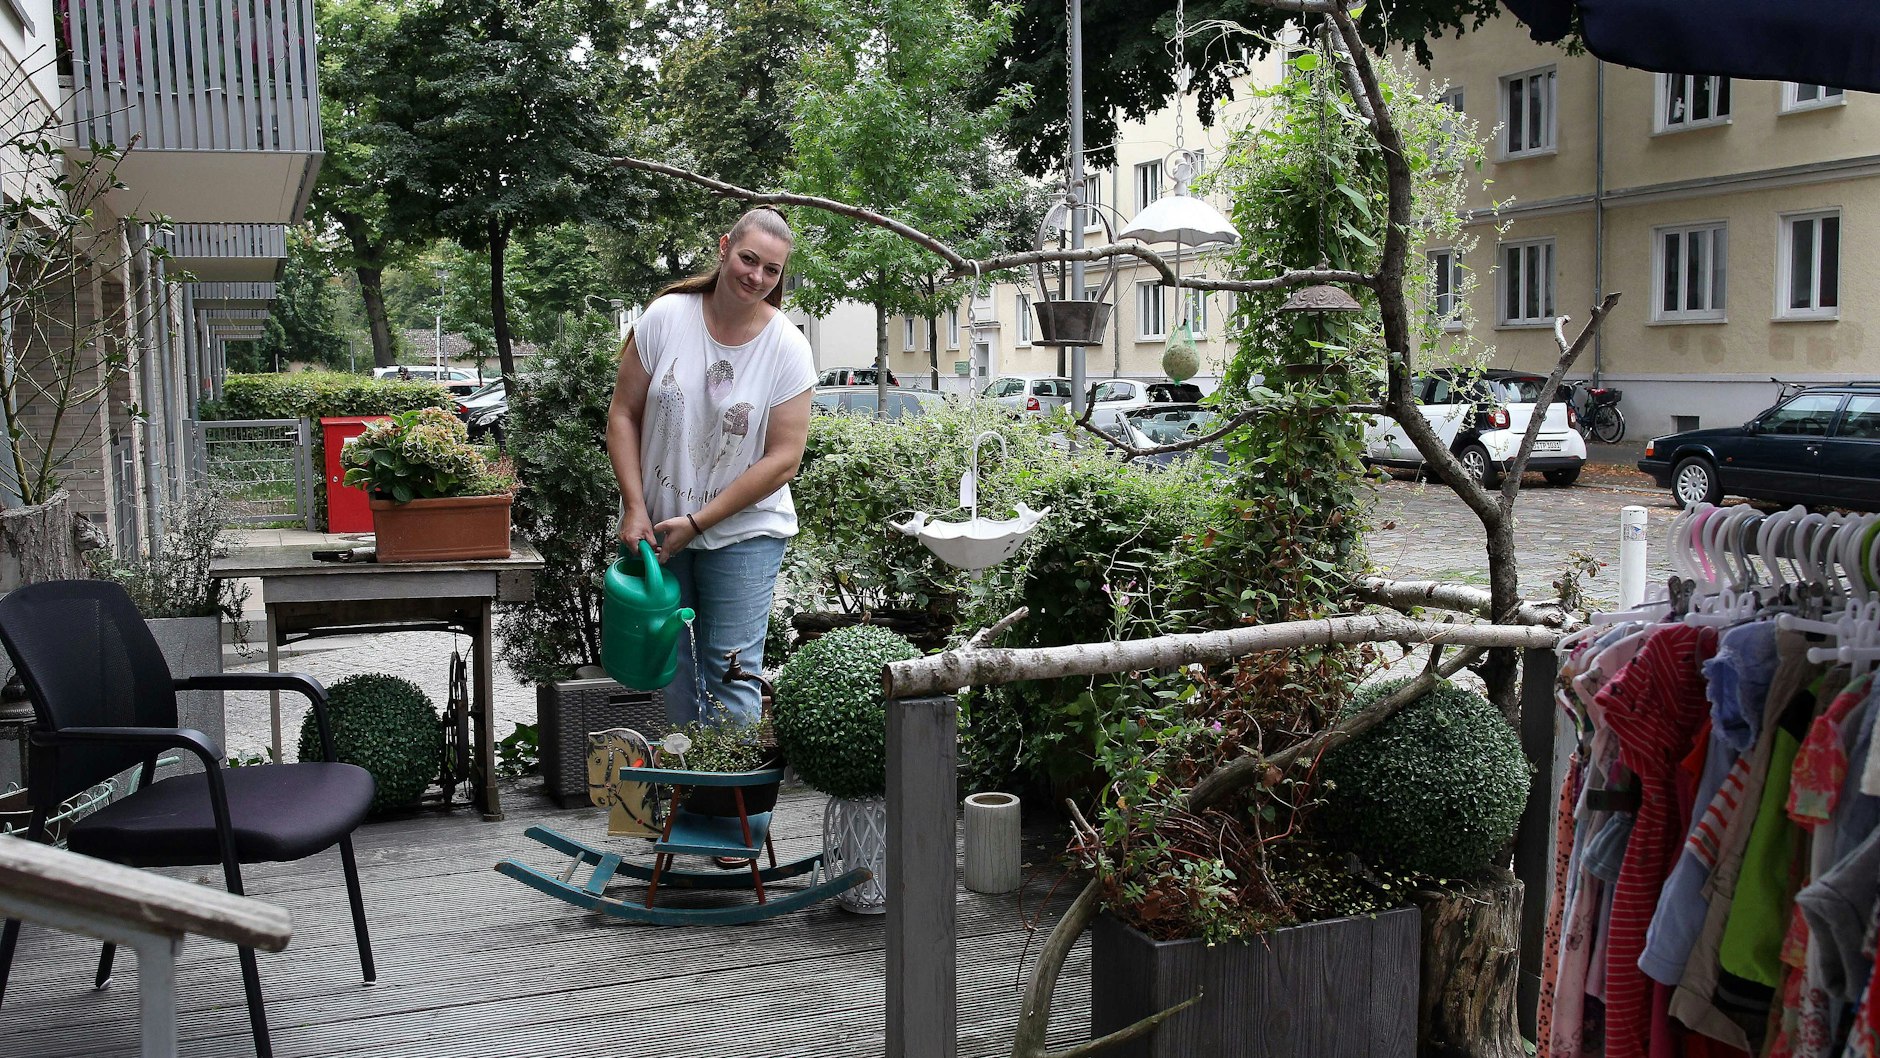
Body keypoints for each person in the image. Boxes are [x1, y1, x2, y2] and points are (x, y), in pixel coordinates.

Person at [606, 206, 814, 728]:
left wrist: (699, 522)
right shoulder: (665, 317)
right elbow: (623, 414)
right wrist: (634, 507)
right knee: (667, 671)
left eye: (772, 269)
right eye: (749, 259)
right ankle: (680, 780)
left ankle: (729, 785)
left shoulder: (787, 347)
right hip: (658, 530)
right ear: (724, 248)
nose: (757, 276)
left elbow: (784, 460)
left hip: (746, 533)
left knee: (731, 677)